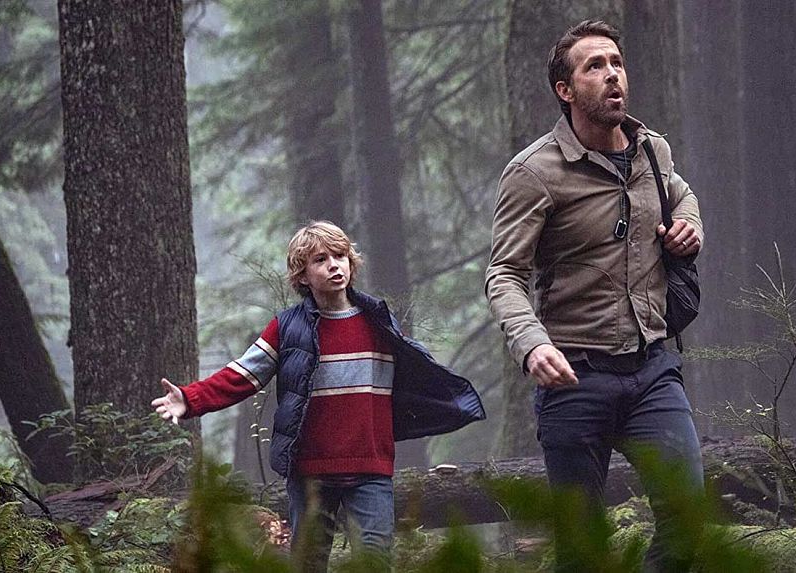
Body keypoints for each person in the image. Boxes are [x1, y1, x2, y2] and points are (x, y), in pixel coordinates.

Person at [485, 20, 704, 572]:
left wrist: (690, 225)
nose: (613, 76)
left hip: (652, 368)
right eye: (595, 66)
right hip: (574, 377)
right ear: (565, 90)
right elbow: (504, 274)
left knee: (687, 519)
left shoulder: (653, 151)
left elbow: (682, 195)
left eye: (617, 63)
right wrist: (532, 344)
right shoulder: (534, 173)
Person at [153, 220, 485, 570]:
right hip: (311, 473)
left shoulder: (378, 320)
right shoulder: (287, 327)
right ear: (302, 275)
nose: (333, 265)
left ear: (351, 263)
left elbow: (416, 373)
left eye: (340, 256)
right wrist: (189, 399)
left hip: (370, 468)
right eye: (320, 260)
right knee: (308, 563)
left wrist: (454, 404)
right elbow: (243, 375)